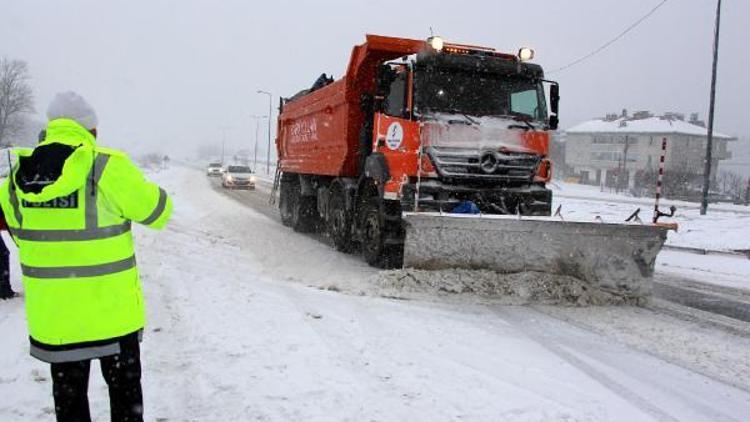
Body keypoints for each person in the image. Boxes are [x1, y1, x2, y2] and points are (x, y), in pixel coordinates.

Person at [0, 91, 173, 421]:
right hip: (113, 318)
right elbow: (159, 212)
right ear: (90, 130)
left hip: (57, 320)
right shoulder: (106, 166)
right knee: (125, 400)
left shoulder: (16, 180)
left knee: (69, 402)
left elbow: (24, 239)